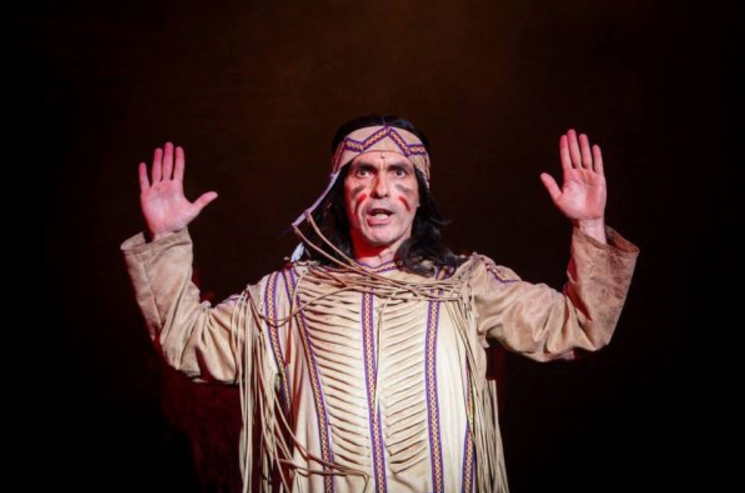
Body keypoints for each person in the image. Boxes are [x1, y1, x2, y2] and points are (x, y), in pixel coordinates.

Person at [122, 115, 638, 493]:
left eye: (399, 173)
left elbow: (578, 326)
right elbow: (189, 342)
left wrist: (589, 226)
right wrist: (165, 240)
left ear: (421, 192)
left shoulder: (465, 286)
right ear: (339, 192)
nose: (380, 188)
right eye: (362, 171)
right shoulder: (285, 297)